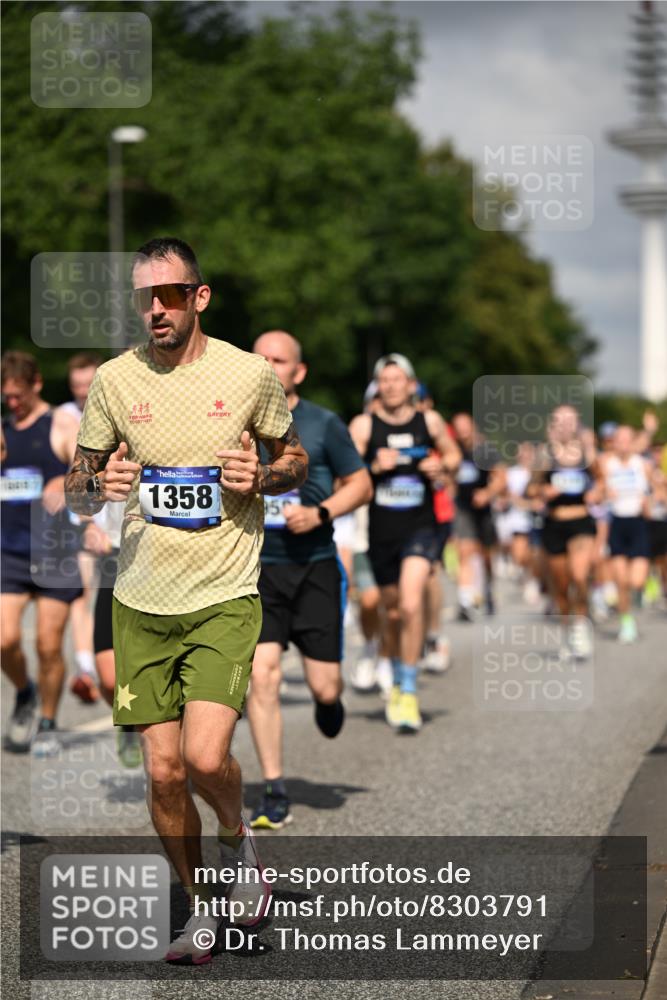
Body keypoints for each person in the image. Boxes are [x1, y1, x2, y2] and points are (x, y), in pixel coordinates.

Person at [65, 237, 308, 965]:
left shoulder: (247, 374)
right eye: (146, 297)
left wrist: (261, 475)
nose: (157, 310)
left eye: (170, 295)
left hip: (224, 592)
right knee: (163, 771)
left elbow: (294, 460)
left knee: (205, 757)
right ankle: (201, 908)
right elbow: (76, 483)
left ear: (199, 297)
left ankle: (239, 851)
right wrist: (94, 490)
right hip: (140, 598)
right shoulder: (113, 380)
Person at [247, 330, 372, 830]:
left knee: (324, 687)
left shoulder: (323, 423)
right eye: (260, 358)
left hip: (316, 566)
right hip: (257, 571)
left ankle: (330, 700)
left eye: (278, 359)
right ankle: (274, 790)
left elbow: (361, 484)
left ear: (298, 371)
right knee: (263, 677)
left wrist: (320, 513)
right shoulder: (231, 421)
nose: (268, 365)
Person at [350, 354, 460, 732]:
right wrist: (374, 467)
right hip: (381, 532)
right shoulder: (364, 425)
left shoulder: (428, 421)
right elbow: (344, 473)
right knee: (392, 614)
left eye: (399, 379)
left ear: (412, 385)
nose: (393, 386)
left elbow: (454, 454)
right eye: (386, 380)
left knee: (412, 604)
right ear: (379, 387)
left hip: (421, 527)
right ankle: (396, 673)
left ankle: (410, 688)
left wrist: (442, 466)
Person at [1, 351, 81, 755]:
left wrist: (62, 485)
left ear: (36, 385)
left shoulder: (62, 425)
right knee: (4, 640)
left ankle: (48, 722)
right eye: (6, 398)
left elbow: (91, 477)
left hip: (54, 551)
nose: (12, 404)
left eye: (19, 396)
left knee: (49, 645)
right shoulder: (2, 429)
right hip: (10, 551)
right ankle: (24, 691)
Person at [529, 405, 599, 658]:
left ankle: (581, 626)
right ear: (553, 424)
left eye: (570, 420)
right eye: (560, 420)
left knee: (580, 576)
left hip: (581, 521)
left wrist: (596, 493)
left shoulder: (587, 454)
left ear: (577, 424)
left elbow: (601, 482)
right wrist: (542, 492)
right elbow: (530, 489)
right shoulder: (544, 455)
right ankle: (568, 629)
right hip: (554, 524)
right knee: (560, 584)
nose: (565, 425)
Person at [59, 352, 104, 704]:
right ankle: (87, 669)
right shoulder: (65, 416)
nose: (82, 393)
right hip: (83, 520)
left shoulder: (114, 409)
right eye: (76, 387)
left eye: (88, 386)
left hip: (118, 518)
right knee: (83, 595)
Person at [450, 413, 506, 619]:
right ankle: (466, 601)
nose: (462, 431)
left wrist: (487, 494)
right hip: (463, 508)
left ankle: (488, 590)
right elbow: (449, 478)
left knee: (486, 556)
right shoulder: (454, 451)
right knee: (464, 552)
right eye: (458, 427)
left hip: (483, 510)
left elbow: (501, 477)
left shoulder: (485, 450)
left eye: (465, 426)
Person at [599, 425, 652, 642]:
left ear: (633, 441)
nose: (622, 443)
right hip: (617, 523)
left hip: (638, 522)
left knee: (636, 581)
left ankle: (637, 594)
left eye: (626, 439)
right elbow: (597, 488)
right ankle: (626, 622)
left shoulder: (643, 464)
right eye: (618, 439)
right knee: (621, 581)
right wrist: (604, 491)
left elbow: (654, 491)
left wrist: (648, 502)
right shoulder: (605, 463)